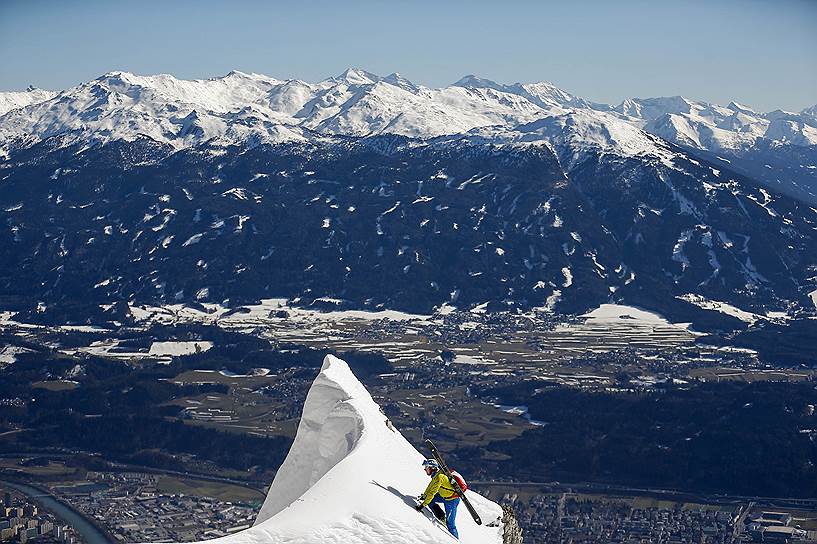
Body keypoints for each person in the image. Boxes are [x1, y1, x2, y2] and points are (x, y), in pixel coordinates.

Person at [415, 458, 460, 539]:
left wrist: (422, 506)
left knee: (451, 525)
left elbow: (432, 493)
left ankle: (455, 540)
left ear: (432, 468)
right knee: (430, 500)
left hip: (452, 500)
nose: (425, 469)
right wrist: (424, 496)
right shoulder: (436, 476)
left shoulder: (439, 477)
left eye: (426, 467)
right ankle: (441, 516)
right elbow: (430, 487)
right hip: (444, 496)